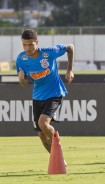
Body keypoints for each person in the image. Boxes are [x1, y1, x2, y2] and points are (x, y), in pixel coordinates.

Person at [16, 29, 74, 164]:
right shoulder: (21, 58)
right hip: (37, 96)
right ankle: (60, 161)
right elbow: (23, 79)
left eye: (30, 44)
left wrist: (69, 69)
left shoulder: (49, 52)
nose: (27, 48)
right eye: (24, 45)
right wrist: (21, 78)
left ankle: (58, 149)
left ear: (37, 42)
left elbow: (70, 47)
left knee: (43, 123)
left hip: (54, 92)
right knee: (41, 135)